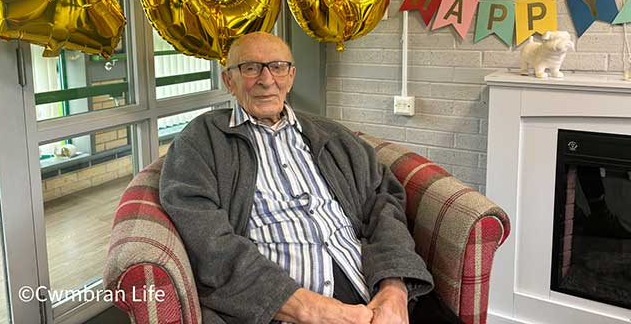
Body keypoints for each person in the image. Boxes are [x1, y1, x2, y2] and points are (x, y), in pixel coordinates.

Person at [160, 32, 461, 324]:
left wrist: (394, 287)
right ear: (229, 80)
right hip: (283, 306)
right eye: (251, 68)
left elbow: (383, 202)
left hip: (371, 287)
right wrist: (308, 308)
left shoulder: (332, 135)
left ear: (290, 77)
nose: (267, 80)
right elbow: (207, 239)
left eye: (278, 67)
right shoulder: (202, 141)